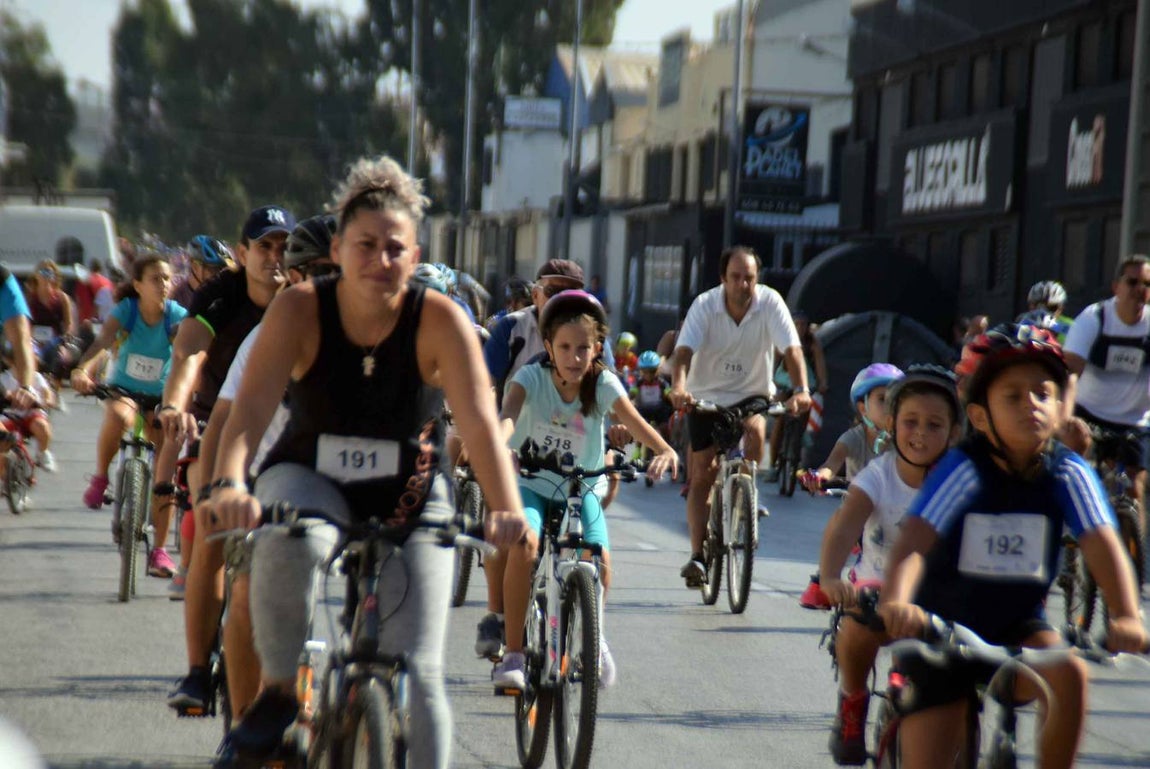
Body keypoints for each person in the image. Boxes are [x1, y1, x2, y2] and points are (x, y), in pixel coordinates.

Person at [206, 155, 529, 768]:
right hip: (311, 476)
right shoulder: (299, 310)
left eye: (395, 248)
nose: (381, 260)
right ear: (337, 247)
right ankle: (277, 695)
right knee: (287, 540)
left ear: (415, 255)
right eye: (365, 245)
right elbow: (247, 415)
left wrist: (508, 512)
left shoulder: (441, 321)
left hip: (410, 491)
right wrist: (227, 482)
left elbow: (482, 428)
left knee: (424, 670)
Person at [878, 323, 1147, 769]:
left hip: (1019, 630)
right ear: (980, 417)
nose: (1031, 406)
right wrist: (898, 602)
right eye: (1013, 396)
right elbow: (913, 541)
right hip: (942, 633)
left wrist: (1126, 617)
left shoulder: (1069, 472)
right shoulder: (964, 468)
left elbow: (1102, 542)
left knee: (1069, 672)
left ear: (1062, 407)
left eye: (1043, 394)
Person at [180, 213, 337, 723]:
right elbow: (228, 419)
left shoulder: (385, 335)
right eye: (315, 272)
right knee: (241, 583)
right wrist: (219, 488)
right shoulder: (261, 335)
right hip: (263, 484)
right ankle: (240, 719)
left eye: (338, 271)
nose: (330, 284)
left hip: (350, 494)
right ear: (294, 278)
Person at [492, 290, 678, 689]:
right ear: (548, 347)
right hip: (533, 483)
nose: (573, 357)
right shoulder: (530, 377)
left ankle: (594, 633)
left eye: (583, 348)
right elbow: (508, 415)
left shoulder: (603, 382)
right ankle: (512, 653)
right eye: (564, 347)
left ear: (596, 350)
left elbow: (634, 418)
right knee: (524, 545)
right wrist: (498, 445)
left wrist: (664, 449)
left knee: (600, 559)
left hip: (581, 486)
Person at [164, 204, 294, 709]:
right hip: (213, 423)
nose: (275, 258)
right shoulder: (223, 294)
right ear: (242, 254)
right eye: (264, 247)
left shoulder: (300, 300)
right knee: (211, 525)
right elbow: (190, 352)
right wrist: (175, 404)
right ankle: (197, 671)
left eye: (284, 247)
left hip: (283, 438)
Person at [818, 365, 960, 765]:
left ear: (954, 432)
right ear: (892, 425)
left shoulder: (960, 481)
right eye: (910, 422)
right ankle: (852, 701)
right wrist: (830, 576)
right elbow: (844, 526)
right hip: (875, 594)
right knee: (856, 633)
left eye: (935, 425)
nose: (920, 433)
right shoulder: (878, 476)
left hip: (937, 604)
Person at [669, 245, 811, 588]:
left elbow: (791, 348)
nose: (742, 285)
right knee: (703, 473)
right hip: (706, 396)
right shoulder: (705, 305)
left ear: (757, 279)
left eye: (749, 278)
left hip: (752, 393)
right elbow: (684, 351)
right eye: (735, 277)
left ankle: (745, 493)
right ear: (723, 279)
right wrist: (678, 388)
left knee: (756, 432)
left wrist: (802, 389)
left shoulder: (770, 303)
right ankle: (698, 556)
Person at [71, 255, 186, 578]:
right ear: (137, 285)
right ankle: (101, 476)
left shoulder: (176, 316)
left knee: (165, 468)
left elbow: (185, 355)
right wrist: (83, 369)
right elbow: (104, 342)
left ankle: (160, 550)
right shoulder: (127, 311)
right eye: (155, 278)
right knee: (120, 417)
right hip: (124, 389)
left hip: (162, 397)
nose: (163, 284)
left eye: (167, 278)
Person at [1062, 255, 1150, 553]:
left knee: (1135, 488)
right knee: (1076, 458)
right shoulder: (1094, 318)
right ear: (1116, 286)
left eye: (1147, 284)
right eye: (1133, 282)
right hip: (1089, 413)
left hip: (1134, 420)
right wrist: (1066, 418)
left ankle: (1130, 563)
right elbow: (1070, 373)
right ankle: (1071, 533)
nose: (1141, 290)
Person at [798, 363, 905, 609]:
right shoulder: (853, 438)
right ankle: (824, 577)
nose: (891, 408)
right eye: (882, 400)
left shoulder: (904, 440)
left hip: (895, 512)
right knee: (839, 521)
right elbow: (831, 464)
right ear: (862, 407)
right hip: (859, 515)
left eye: (896, 401)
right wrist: (820, 478)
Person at [767, 309, 828, 481]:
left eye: (803, 325)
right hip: (785, 382)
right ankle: (773, 465)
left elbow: (820, 364)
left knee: (804, 415)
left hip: (806, 384)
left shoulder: (812, 343)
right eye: (797, 324)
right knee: (779, 421)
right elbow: (774, 362)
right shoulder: (784, 340)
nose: (800, 328)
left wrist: (823, 383)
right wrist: (771, 382)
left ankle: (797, 450)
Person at [0, 345, 57, 471]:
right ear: (10, 360)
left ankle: (43, 453)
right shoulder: (4, 378)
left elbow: (47, 394)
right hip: (9, 416)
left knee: (42, 426)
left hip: (31, 415)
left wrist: (45, 401)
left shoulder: (36, 377)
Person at [25, 261, 76, 386]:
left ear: (54, 276)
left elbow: (69, 323)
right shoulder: (30, 298)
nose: (46, 276)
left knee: (59, 355)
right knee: (30, 354)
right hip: (34, 339)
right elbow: (25, 322)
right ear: (36, 275)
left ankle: (54, 384)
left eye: (49, 272)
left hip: (56, 339)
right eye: (43, 272)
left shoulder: (62, 298)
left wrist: (66, 337)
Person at [171, 236, 234, 310]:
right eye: (213, 270)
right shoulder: (177, 301)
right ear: (195, 267)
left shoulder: (227, 295)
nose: (219, 275)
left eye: (223, 270)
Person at [629, 349, 673, 434]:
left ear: (658, 370)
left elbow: (668, 392)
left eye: (652, 372)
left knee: (664, 427)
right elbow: (632, 393)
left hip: (659, 409)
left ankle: (665, 444)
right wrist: (629, 400)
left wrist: (672, 398)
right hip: (644, 409)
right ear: (640, 371)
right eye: (645, 372)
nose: (648, 375)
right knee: (640, 427)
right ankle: (638, 446)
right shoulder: (639, 383)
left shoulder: (661, 382)